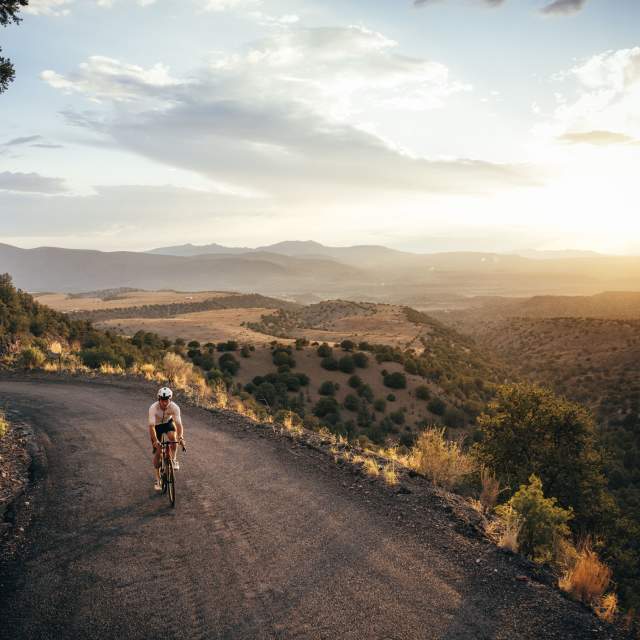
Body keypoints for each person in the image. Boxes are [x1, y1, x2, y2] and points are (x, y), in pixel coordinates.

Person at [148, 386, 185, 491]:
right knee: (158, 452)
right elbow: (151, 427)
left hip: (168, 423)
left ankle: (173, 460)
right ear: (159, 399)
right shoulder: (153, 408)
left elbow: (179, 424)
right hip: (156, 426)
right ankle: (157, 478)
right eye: (162, 400)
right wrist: (155, 441)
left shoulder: (174, 407)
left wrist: (181, 437)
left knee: (173, 438)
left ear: (170, 399)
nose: (164, 403)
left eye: (167, 400)